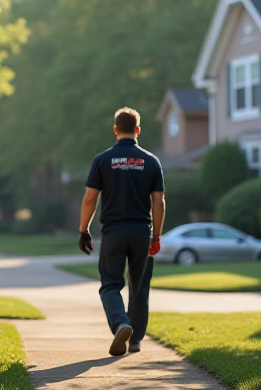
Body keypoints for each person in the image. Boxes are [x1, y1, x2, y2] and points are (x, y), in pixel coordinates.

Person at [77, 107, 165, 357]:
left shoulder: (103, 160)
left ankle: (120, 323)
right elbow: (159, 202)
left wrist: (83, 230)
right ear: (138, 130)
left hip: (113, 233)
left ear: (115, 129)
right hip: (141, 233)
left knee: (110, 284)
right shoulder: (151, 161)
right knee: (139, 286)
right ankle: (135, 339)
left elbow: (89, 199)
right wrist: (156, 236)